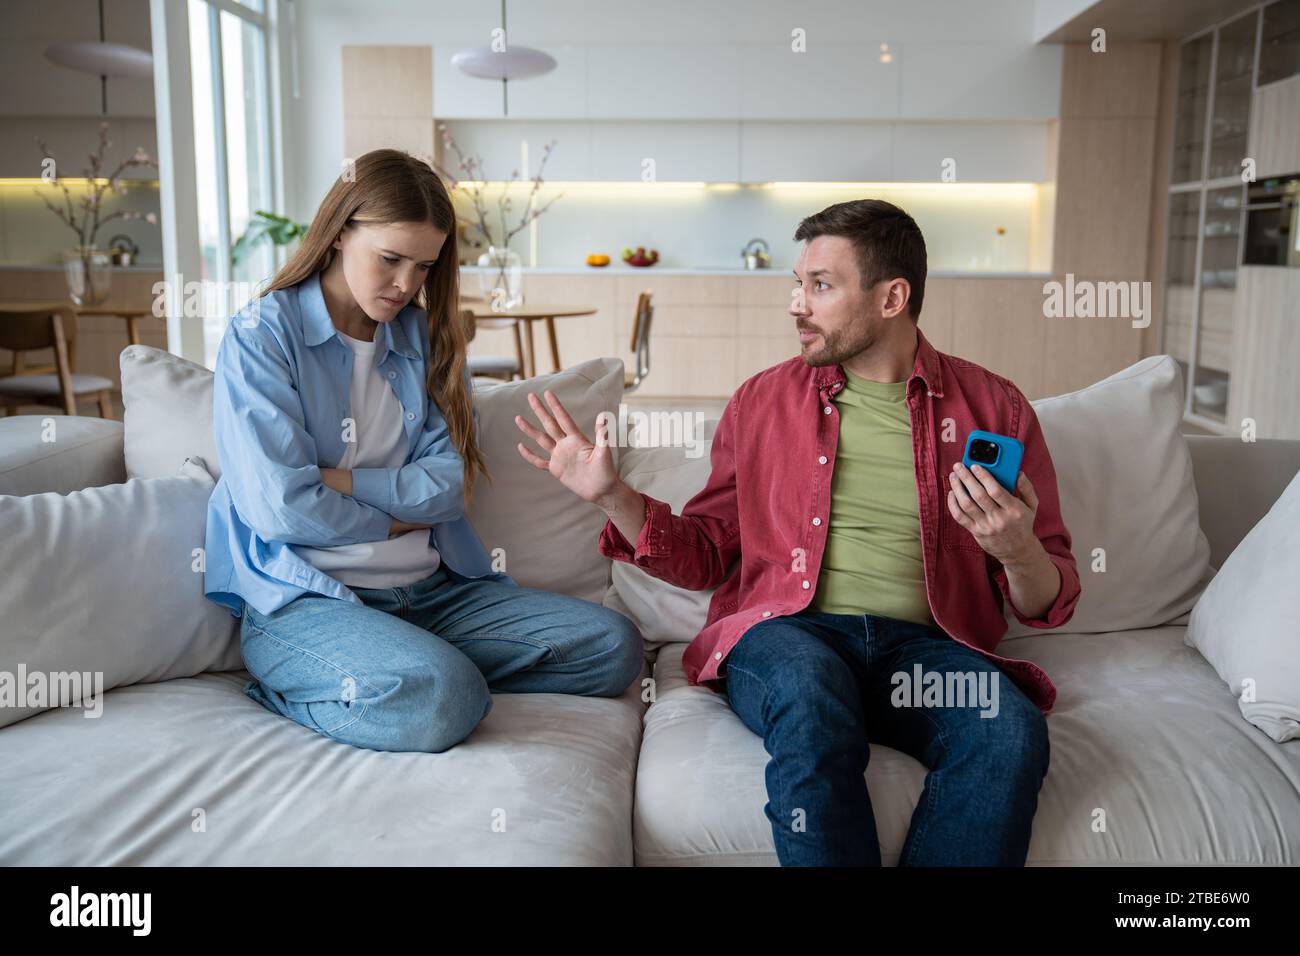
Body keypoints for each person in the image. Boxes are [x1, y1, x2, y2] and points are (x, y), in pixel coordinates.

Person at [515, 199, 1081, 865]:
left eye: (820, 285)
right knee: (812, 697)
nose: (795, 304)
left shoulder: (994, 407)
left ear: (892, 296)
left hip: (930, 647)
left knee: (1006, 732)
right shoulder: (761, 402)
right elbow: (709, 554)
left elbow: (1047, 598)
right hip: (792, 635)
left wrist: (1015, 549)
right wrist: (613, 495)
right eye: (796, 282)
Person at [203, 148, 642, 754]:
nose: (407, 284)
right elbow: (282, 508)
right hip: (312, 600)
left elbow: (445, 488)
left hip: (435, 593)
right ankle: (349, 680)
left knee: (614, 646)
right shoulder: (262, 336)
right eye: (389, 259)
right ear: (337, 235)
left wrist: (341, 482)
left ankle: (404, 666)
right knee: (445, 698)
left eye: (424, 266)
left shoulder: (424, 336)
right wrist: (394, 511)